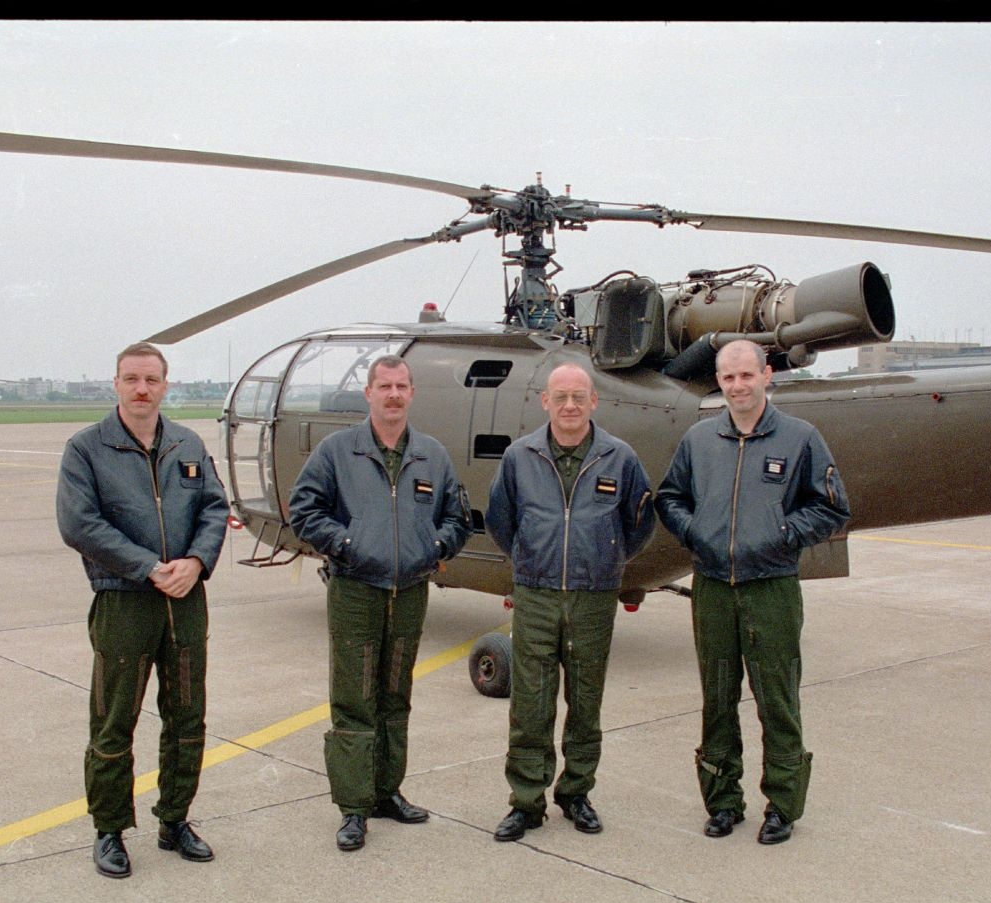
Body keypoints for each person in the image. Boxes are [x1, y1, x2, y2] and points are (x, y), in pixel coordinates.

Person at [654, 340, 850, 845]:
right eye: (728, 378)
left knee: (777, 700)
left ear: (767, 376)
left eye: (746, 376)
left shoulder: (801, 438)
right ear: (718, 382)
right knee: (716, 698)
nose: (738, 386)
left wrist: (781, 535)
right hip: (714, 588)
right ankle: (723, 802)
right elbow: (671, 497)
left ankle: (782, 805)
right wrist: (696, 533)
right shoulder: (699, 440)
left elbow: (830, 509)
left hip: (772, 589)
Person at [56, 341, 230, 878]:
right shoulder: (86, 449)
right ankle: (109, 830)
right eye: (131, 379)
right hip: (124, 600)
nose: (141, 389)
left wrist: (197, 562)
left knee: (187, 716)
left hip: (186, 601)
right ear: (115, 384)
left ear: (165, 385)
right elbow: (79, 524)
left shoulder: (188, 443)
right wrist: (149, 567)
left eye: (151, 380)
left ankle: (174, 818)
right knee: (114, 720)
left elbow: (215, 508)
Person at [287, 354, 471, 852]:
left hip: (410, 592)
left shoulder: (431, 454)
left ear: (412, 394)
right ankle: (353, 806)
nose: (393, 395)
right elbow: (304, 510)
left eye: (402, 387)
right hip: (354, 590)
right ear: (368, 393)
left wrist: (434, 550)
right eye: (384, 386)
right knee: (354, 698)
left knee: (396, 695)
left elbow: (458, 517)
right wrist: (347, 546)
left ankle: (387, 791)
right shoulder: (337, 451)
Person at [484, 362, 656, 841]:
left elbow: (639, 525)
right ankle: (526, 800)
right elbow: (501, 521)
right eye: (560, 396)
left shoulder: (619, 458)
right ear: (545, 402)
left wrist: (608, 558)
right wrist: (530, 559)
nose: (569, 406)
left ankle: (576, 793)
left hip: (593, 597)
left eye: (579, 396)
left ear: (594, 402)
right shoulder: (520, 457)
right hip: (536, 595)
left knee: (585, 701)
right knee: (530, 704)